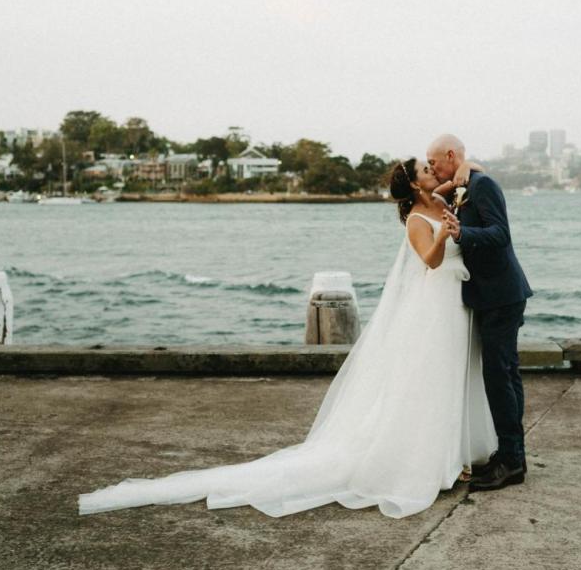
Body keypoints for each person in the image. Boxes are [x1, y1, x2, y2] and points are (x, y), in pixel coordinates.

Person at [79, 157, 497, 520]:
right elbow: (431, 261)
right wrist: (444, 234)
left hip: (452, 305)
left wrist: (468, 170)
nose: (431, 171)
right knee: (426, 380)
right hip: (432, 304)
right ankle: (424, 459)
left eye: (431, 167)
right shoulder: (416, 221)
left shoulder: (439, 200)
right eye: (425, 169)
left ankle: (453, 453)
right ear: (412, 184)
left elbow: (457, 182)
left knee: (448, 377)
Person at [427, 133, 533, 491]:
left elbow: (500, 234)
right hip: (491, 295)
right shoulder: (467, 181)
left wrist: (462, 234)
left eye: (435, 161)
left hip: (502, 295)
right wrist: (464, 172)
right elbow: (437, 193)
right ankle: (510, 455)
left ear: (451, 155)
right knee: (505, 374)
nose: (432, 168)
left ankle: (513, 461)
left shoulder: (483, 185)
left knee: (498, 376)